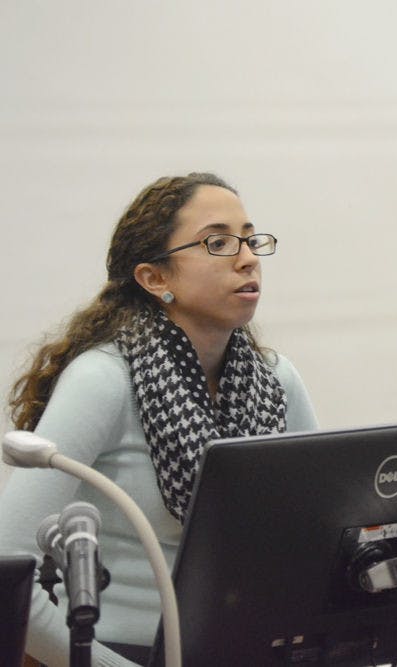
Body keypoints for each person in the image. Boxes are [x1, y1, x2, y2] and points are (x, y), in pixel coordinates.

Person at [0, 172, 318, 666]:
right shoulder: (103, 380)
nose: (248, 256)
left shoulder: (278, 381)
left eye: (250, 238)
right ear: (155, 278)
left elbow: (317, 538)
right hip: (116, 652)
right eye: (218, 242)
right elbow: (7, 567)